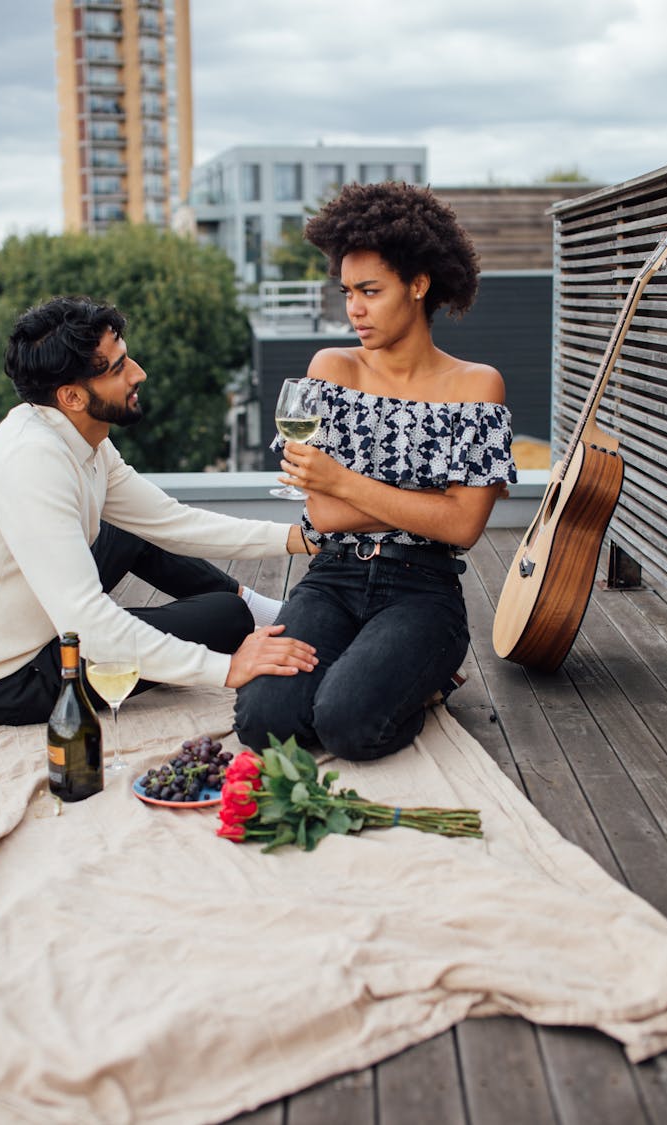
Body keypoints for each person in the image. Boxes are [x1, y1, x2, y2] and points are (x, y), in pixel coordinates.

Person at [235, 181, 517, 761]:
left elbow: (463, 529)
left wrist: (341, 479)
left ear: (418, 285)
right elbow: (323, 514)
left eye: (370, 290)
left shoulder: (477, 385)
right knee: (264, 722)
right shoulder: (331, 368)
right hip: (332, 578)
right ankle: (376, 667)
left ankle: (426, 679)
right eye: (347, 291)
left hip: (423, 590)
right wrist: (429, 502)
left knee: (347, 725)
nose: (353, 309)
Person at [0, 295, 317, 726]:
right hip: (2, 679)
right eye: (117, 369)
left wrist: (299, 538)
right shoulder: (32, 464)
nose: (139, 373)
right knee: (229, 621)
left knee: (127, 530)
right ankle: (250, 615)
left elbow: (172, 522)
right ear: (72, 396)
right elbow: (90, 625)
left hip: (32, 617)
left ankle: (267, 608)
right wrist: (228, 669)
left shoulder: (80, 438)